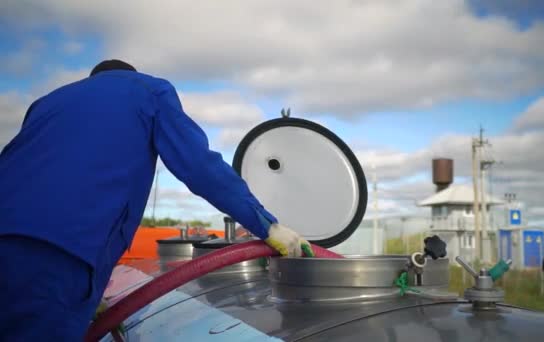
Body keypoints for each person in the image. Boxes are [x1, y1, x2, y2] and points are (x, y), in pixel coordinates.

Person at [0, 59, 312, 341]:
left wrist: (92, 296)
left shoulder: (47, 102)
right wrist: (267, 226)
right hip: (59, 256)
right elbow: (198, 166)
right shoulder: (148, 89)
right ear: (130, 75)